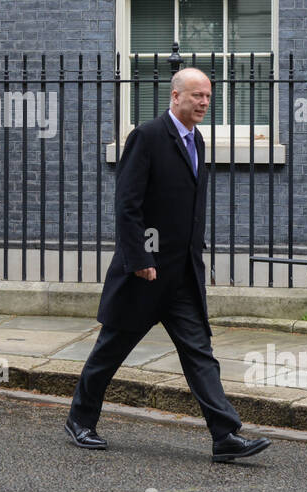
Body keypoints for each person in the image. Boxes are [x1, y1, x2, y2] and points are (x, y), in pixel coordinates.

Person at [65, 66, 271, 463]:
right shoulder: (147, 136)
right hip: (146, 274)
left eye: (208, 96)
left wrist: (197, 252)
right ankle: (80, 419)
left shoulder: (199, 141)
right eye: (197, 96)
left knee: (199, 353)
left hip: (180, 276)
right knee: (111, 350)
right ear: (175, 97)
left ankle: (225, 435)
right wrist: (140, 257)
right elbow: (128, 205)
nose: (205, 103)